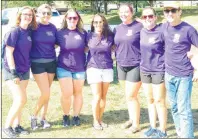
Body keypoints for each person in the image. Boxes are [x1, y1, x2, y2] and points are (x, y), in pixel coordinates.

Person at [162, 1, 198, 138]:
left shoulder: (188, 29)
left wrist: (197, 68)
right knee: (175, 108)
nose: (170, 13)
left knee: (184, 110)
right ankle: (180, 133)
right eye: (167, 10)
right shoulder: (164, 27)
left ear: (180, 12)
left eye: (173, 10)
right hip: (168, 74)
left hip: (183, 75)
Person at [2, 6, 37, 138]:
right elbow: (9, 52)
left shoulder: (28, 32)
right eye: (25, 14)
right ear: (20, 16)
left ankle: (17, 126)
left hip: (24, 69)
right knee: (20, 99)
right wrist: (13, 71)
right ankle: (6, 127)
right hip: (13, 71)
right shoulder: (14, 31)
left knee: (20, 101)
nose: (28, 17)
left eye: (30, 15)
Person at [113, 4, 143, 133]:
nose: (124, 14)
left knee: (132, 95)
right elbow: (115, 46)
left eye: (126, 11)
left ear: (132, 13)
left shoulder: (139, 26)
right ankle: (131, 119)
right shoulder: (117, 28)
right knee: (127, 95)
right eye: (121, 12)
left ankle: (136, 124)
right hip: (121, 65)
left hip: (136, 64)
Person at [56, 9, 87, 127]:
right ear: (66, 19)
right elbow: (51, 45)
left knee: (78, 93)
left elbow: (88, 47)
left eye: (75, 18)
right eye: (70, 18)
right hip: (63, 67)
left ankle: (76, 116)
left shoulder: (83, 33)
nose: (72, 20)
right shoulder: (59, 33)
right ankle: (65, 115)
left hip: (79, 68)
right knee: (67, 93)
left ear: (78, 19)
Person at [140, 7, 167, 138]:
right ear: (142, 19)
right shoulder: (141, 32)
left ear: (155, 17)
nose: (148, 19)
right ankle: (153, 127)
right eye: (145, 17)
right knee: (150, 100)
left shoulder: (162, 30)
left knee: (159, 101)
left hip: (159, 70)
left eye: (150, 16)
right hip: (145, 70)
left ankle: (163, 130)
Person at [30, 4, 57, 130]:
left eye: (48, 13)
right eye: (43, 13)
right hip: (37, 63)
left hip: (51, 62)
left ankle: (43, 118)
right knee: (45, 92)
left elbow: (56, 43)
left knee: (47, 93)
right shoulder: (33, 27)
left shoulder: (53, 27)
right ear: (38, 13)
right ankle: (33, 116)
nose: (46, 15)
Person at [86, 14, 114, 130]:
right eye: (96, 22)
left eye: (100, 22)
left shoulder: (110, 36)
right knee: (97, 96)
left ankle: (100, 119)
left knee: (103, 96)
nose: (98, 24)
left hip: (107, 67)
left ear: (104, 23)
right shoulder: (88, 36)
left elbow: (117, 46)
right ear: (92, 24)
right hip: (93, 68)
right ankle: (95, 121)